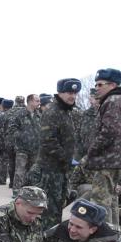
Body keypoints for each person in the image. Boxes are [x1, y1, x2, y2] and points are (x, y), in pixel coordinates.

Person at [26, 79, 79, 229]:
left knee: (56, 209)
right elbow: (48, 140)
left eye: (74, 93)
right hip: (49, 171)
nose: (72, 96)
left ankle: (50, 241)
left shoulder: (66, 112)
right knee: (47, 211)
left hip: (60, 170)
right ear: (60, 93)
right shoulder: (53, 111)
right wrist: (65, 158)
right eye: (69, 92)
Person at [82, 68, 121, 227]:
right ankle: (113, 232)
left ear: (112, 84)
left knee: (100, 200)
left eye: (100, 84)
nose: (97, 88)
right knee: (111, 200)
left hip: (107, 159)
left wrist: (92, 150)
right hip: (117, 159)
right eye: (96, 85)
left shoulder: (112, 101)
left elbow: (110, 130)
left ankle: (104, 237)